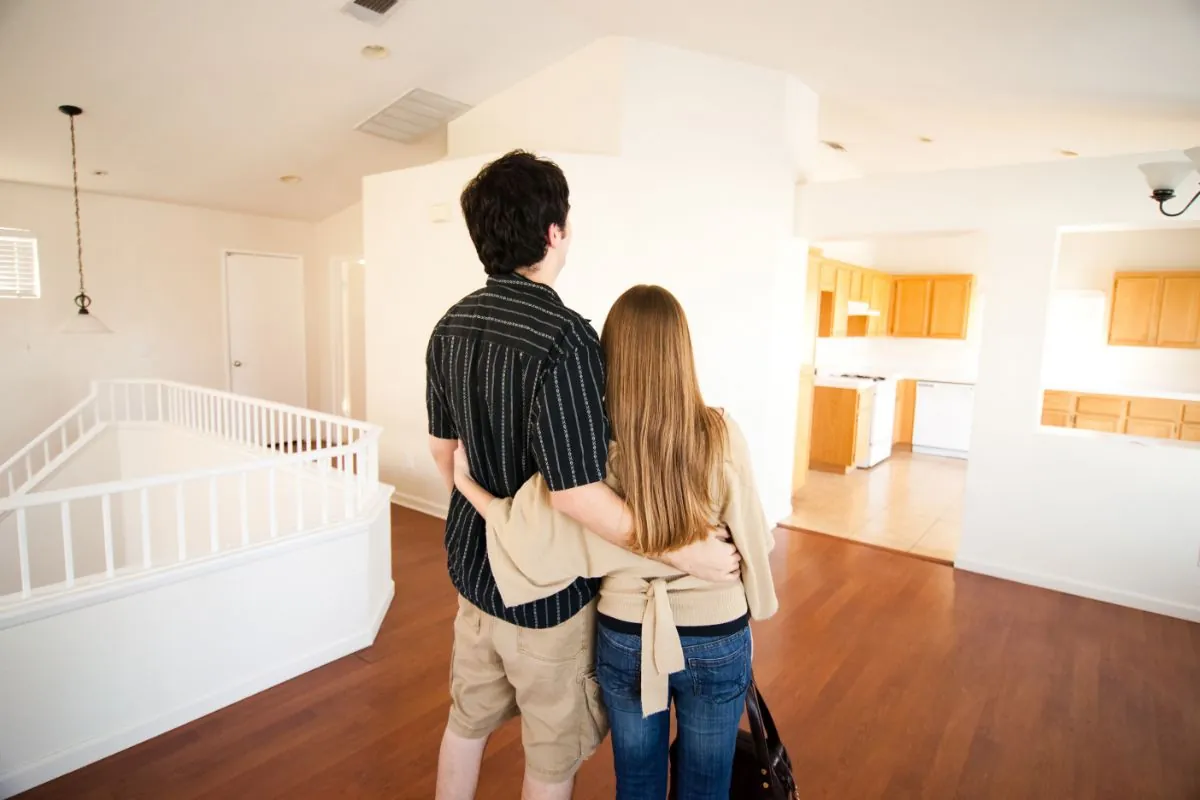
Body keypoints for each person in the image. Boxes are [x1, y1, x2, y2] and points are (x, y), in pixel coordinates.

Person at [426, 151, 741, 800]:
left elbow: (444, 454)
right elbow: (575, 493)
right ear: (553, 232)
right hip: (543, 596)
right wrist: (689, 550)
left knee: (465, 723)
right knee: (551, 755)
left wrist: (476, 493)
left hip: (472, 575)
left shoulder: (448, 327)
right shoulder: (565, 339)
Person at [451, 284, 779, 800]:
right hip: (717, 635)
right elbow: (756, 540)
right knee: (708, 787)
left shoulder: (592, 451)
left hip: (625, 635)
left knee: (638, 784)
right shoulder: (720, 433)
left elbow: (525, 529)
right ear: (682, 352)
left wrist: (466, 484)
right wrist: (754, 593)